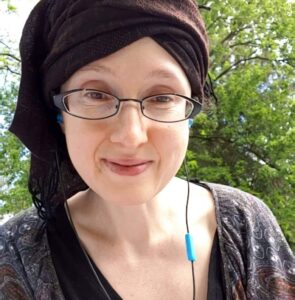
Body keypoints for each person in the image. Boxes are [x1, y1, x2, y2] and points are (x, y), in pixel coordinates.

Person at [0, 1, 294, 299]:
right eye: (96, 94)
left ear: (191, 109)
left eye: (162, 97)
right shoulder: (17, 255)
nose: (131, 136)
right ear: (60, 114)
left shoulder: (246, 226)